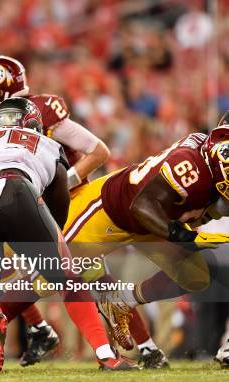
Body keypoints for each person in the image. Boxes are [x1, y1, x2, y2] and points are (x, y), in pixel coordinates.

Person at [0, 97, 135, 373]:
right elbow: (59, 201)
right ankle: (106, 356)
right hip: (17, 190)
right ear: (32, 123)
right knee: (69, 279)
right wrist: (45, 244)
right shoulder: (46, 144)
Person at [65, 117, 229, 363]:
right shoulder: (191, 166)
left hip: (152, 222)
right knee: (51, 269)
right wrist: (182, 236)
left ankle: (126, 304)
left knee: (195, 276)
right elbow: (141, 205)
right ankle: (12, 327)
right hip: (112, 210)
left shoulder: (211, 163)